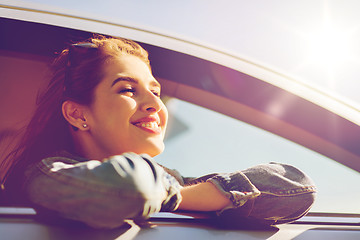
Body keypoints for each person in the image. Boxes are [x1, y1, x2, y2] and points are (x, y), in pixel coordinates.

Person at [0, 35, 316, 229]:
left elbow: (296, 188)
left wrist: (177, 194)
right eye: (127, 89)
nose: (154, 103)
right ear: (78, 114)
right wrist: (201, 197)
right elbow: (130, 189)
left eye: (155, 91)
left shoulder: (170, 183)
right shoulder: (48, 174)